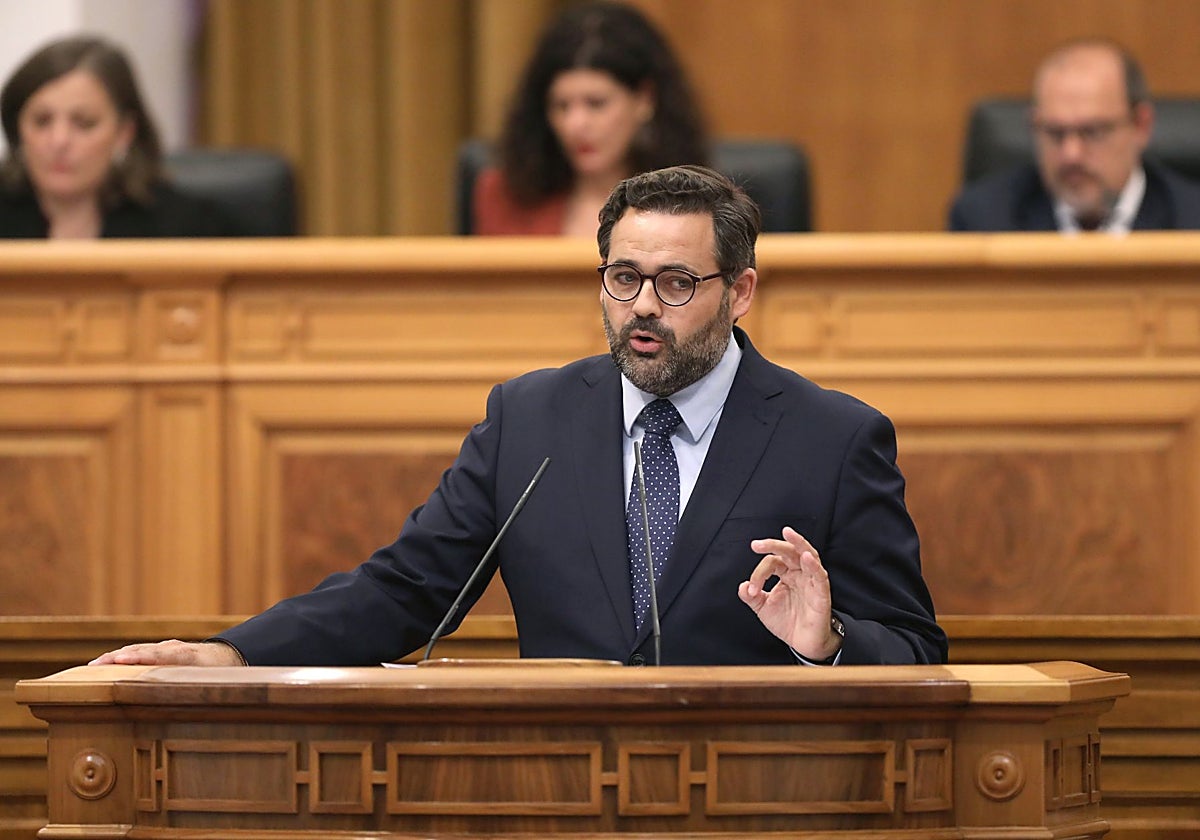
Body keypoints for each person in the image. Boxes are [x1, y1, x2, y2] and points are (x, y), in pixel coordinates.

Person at [93, 165, 947, 669]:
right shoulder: (529, 421)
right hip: (558, 790)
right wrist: (234, 651)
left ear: (741, 291)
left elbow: (916, 647)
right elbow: (406, 589)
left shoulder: (832, 438)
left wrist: (829, 640)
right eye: (623, 278)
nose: (643, 307)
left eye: (677, 283)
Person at [473, 1, 708, 237]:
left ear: (644, 99)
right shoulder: (504, 196)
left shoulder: (697, 201)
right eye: (561, 106)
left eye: (596, 103)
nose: (575, 124)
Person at [948, 39, 1200, 233]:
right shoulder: (984, 219)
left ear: (1141, 126)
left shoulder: (1192, 220)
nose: (1071, 154)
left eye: (1093, 132)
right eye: (1055, 133)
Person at [0, 35, 235, 239]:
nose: (59, 141)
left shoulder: (186, 226)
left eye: (84, 123)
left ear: (124, 133)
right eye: (42, 121)